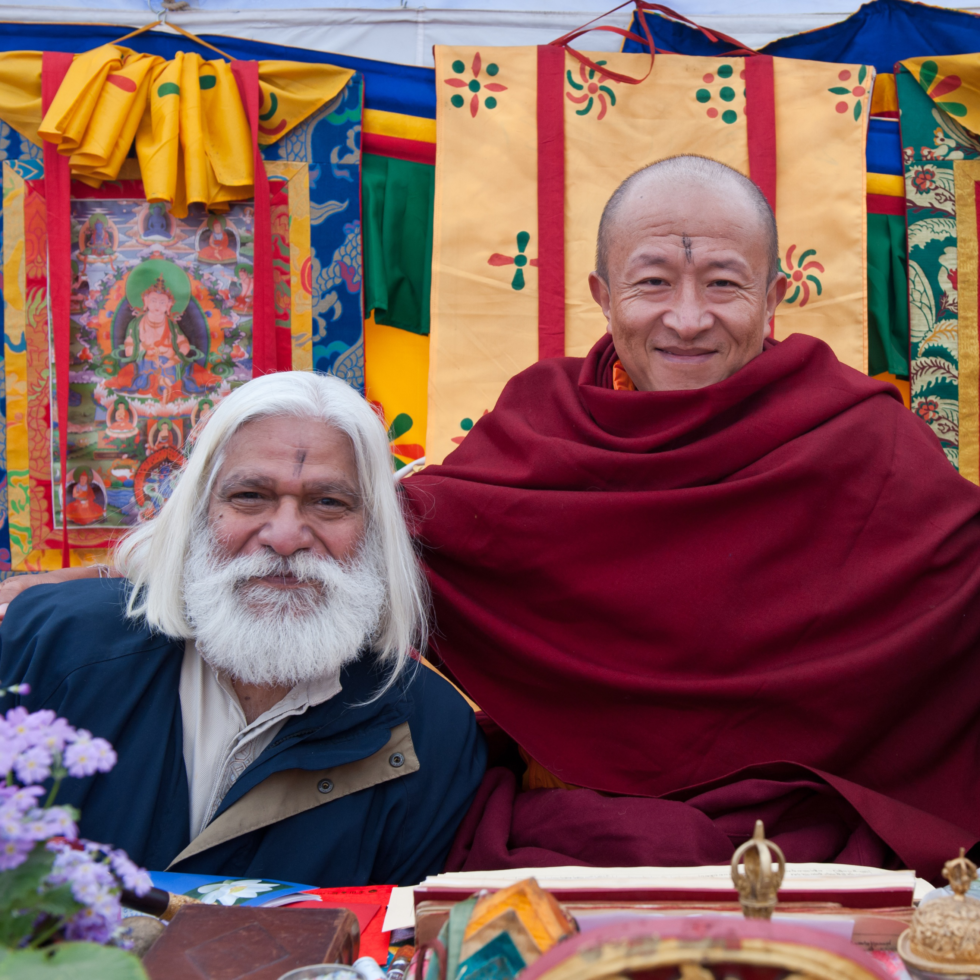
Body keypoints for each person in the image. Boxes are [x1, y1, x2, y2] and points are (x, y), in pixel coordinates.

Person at [10, 155, 980, 881]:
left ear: (774, 295)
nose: (686, 316)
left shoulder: (856, 436)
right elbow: (392, 526)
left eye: (721, 282)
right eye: (652, 281)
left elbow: (954, 586)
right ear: (602, 295)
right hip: (591, 802)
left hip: (806, 806)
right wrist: (141, 568)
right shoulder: (543, 423)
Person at [0, 372, 486, 885]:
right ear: (198, 513)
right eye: (250, 495)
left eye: (329, 503)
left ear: (374, 533)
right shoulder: (51, 644)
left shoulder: (426, 731)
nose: (284, 538)